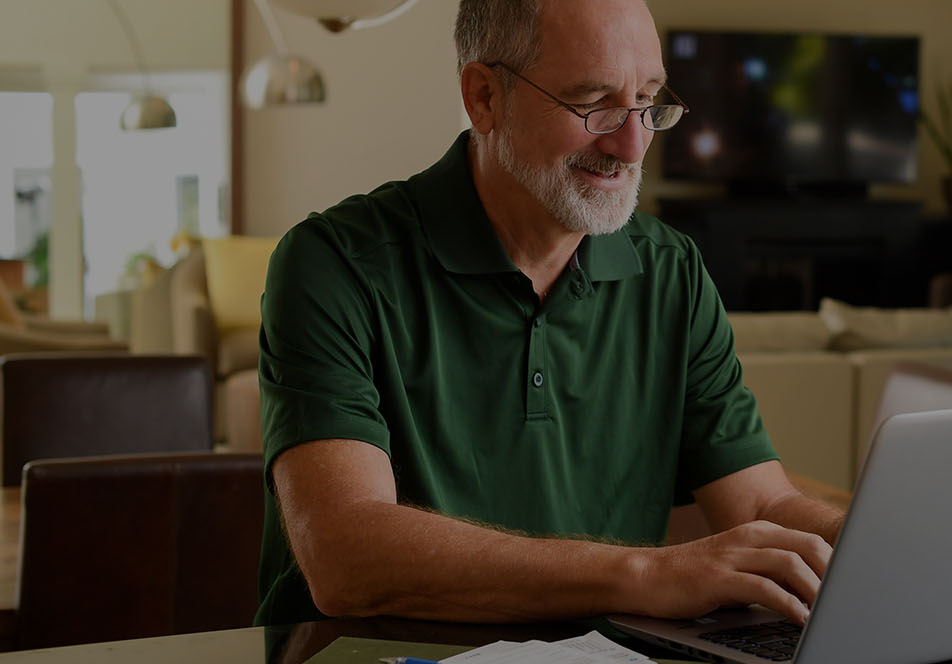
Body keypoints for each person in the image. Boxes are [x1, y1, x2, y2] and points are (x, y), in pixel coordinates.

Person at [254, 0, 845, 629]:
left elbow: (760, 501)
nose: (633, 142)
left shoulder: (671, 271)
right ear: (483, 98)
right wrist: (648, 573)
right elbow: (346, 556)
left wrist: (892, 538)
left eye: (647, 99)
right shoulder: (333, 265)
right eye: (594, 103)